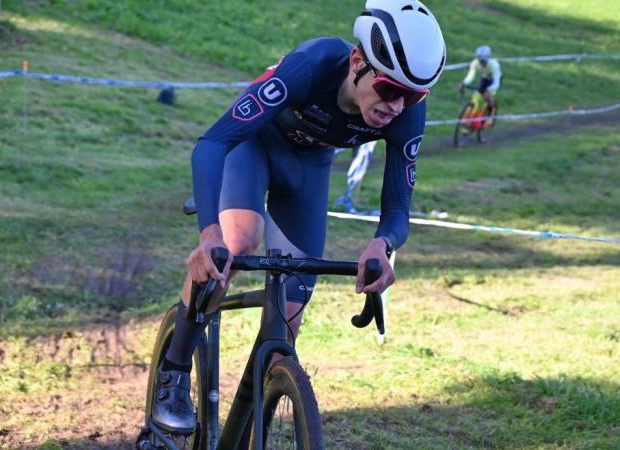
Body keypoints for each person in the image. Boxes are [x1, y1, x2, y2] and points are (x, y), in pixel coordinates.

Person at [152, 0, 446, 433]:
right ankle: (174, 369)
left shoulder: (404, 111)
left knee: (291, 308)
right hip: (253, 147)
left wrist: (382, 245)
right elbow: (212, 144)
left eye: (413, 95)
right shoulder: (313, 64)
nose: (398, 106)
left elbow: (398, 207)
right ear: (358, 61)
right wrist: (208, 231)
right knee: (238, 241)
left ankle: (252, 424)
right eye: (388, 89)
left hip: (308, 168)